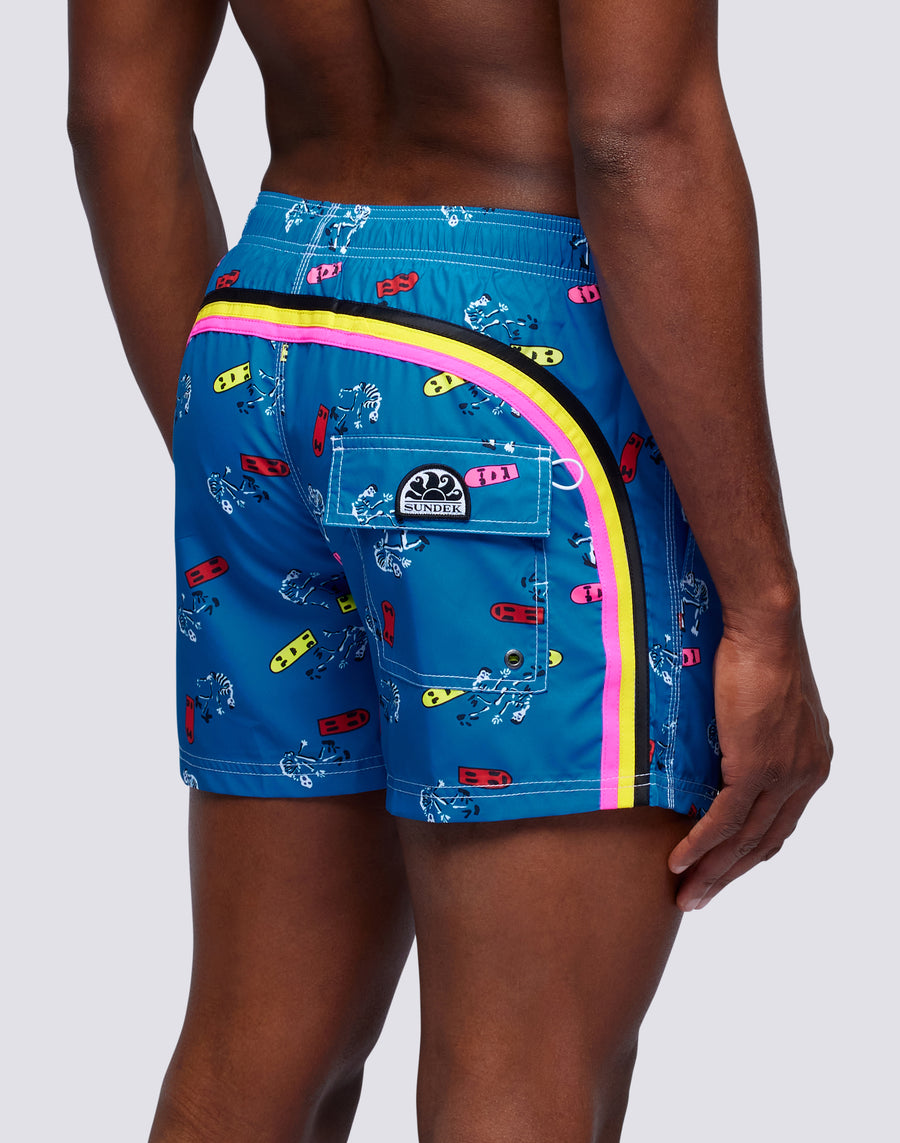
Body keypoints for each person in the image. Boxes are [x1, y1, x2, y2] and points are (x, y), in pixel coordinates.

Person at [67, 2, 832, 1140]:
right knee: (525, 1068)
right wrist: (764, 613)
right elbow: (638, 133)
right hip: (514, 373)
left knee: (256, 1049)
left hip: (261, 331)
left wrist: (256, 468)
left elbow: (115, 111)